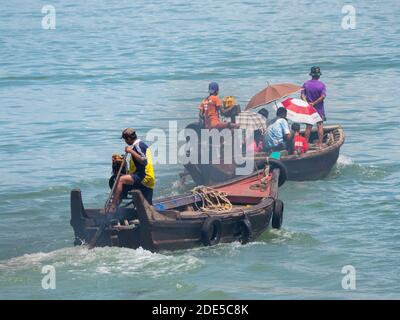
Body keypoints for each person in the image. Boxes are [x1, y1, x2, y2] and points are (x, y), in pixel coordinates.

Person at [107, 128, 155, 213]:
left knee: (120, 180)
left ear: (129, 138)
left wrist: (130, 151)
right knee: (149, 206)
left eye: (125, 139)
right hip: (147, 178)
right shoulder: (140, 145)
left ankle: (113, 207)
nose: (125, 141)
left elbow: (144, 161)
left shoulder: (138, 146)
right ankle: (116, 209)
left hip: (144, 177)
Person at [301, 66, 327, 145]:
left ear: (311, 75)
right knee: (320, 125)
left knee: (308, 127)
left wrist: (308, 104)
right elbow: (323, 96)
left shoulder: (305, 84)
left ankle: (305, 143)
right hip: (319, 109)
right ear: (319, 75)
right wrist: (314, 103)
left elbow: (302, 96)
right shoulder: (322, 85)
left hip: (309, 109)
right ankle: (320, 144)